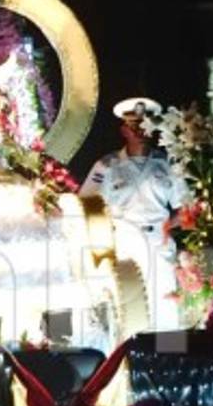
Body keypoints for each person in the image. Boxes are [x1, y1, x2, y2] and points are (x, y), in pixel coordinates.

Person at [80, 97, 191, 332]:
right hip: (125, 245)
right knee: (131, 312)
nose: (140, 130)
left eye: (144, 124)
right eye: (133, 125)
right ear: (123, 129)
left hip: (158, 243)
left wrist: (169, 225)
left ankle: (169, 362)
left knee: (167, 309)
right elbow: (84, 204)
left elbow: (186, 209)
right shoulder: (106, 165)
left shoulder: (168, 164)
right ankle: (128, 362)